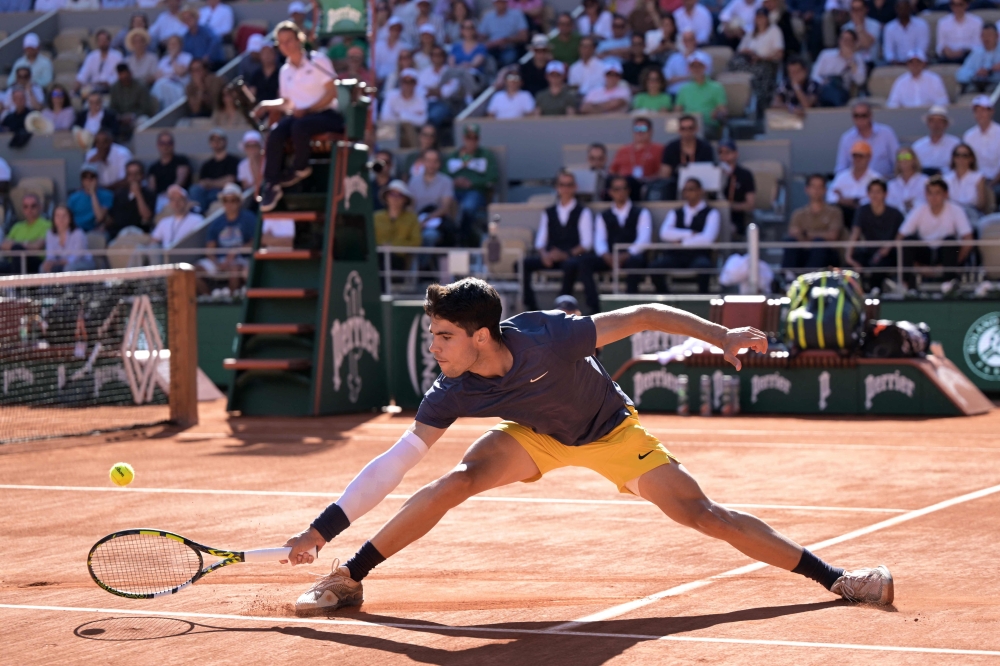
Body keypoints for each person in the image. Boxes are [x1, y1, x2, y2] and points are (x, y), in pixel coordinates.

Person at [284, 276, 894, 616]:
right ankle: (350, 577)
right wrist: (320, 530)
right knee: (454, 482)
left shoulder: (549, 337)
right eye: (433, 336)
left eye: (444, 336)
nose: (434, 348)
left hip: (609, 433)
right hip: (536, 438)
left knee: (703, 515)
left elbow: (646, 313)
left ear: (481, 334)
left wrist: (721, 334)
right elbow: (395, 462)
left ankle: (839, 579)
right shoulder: (451, 389)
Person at [254, 21, 345, 213]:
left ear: (299, 40)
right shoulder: (284, 71)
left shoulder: (318, 60)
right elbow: (288, 102)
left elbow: (332, 92)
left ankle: (301, 168)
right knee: (276, 133)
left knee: (299, 127)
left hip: (326, 115)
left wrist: (309, 109)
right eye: (281, 42)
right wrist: (265, 105)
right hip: (300, 117)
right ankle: (271, 183)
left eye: (289, 40)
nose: (286, 45)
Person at [522, 171, 595, 310]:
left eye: (569, 185)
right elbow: (540, 241)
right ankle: (530, 307)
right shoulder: (549, 212)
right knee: (525, 263)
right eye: (562, 185)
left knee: (571, 264)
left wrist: (566, 254)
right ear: (557, 187)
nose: (565, 189)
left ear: (575, 187)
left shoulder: (583, 211)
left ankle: (563, 307)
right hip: (552, 257)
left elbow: (586, 243)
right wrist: (544, 255)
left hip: (571, 257)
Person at [583, 173, 651, 301]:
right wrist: (606, 256)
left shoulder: (642, 212)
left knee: (636, 262)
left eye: (623, 188)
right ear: (610, 192)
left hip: (631, 257)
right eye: (616, 189)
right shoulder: (603, 216)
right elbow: (599, 240)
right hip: (609, 258)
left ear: (629, 190)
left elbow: (644, 239)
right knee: (584, 262)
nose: (620, 192)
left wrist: (627, 254)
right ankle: (595, 305)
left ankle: (631, 304)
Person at [896, 177, 973, 286]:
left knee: (951, 242)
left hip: (946, 256)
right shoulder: (919, 209)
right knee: (908, 241)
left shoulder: (956, 210)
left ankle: (949, 284)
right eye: (930, 193)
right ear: (926, 195)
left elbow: (968, 239)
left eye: (937, 193)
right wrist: (918, 267)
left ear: (945, 194)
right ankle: (906, 285)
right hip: (925, 254)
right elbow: (901, 235)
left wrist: (954, 262)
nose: (934, 197)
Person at [650, 177, 719, 293]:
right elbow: (664, 233)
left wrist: (681, 242)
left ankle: (701, 301)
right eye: (685, 190)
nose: (687, 193)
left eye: (691, 189)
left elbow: (708, 238)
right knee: (654, 267)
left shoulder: (711, 213)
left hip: (698, 254)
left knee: (704, 266)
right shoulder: (676, 212)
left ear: (700, 191)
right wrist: (690, 233)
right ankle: (665, 299)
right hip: (675, 255)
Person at [444, 124, 498, 245]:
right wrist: (454, 181)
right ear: (464, 138)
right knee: (445, 205)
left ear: (479, 139)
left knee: (468, 207)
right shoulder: (453, 155)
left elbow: (493, 177)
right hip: (453, 192)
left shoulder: (486, 155)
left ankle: (463, 238)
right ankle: (451, 239)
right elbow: (443, 175)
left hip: (476, 192)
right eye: (469, 138)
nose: (471, 141)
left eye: (475, 138)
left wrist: (472, 183)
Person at [198, 183, 255, 294]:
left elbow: (255, 242)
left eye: (233, 200)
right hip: (219, 260)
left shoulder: (249, 218)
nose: (229, 204)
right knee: (193, 271)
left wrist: (236, 251)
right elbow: (210, 248)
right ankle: (210, 298)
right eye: (225, 200)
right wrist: (216, 263)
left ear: (239, 201)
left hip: (242, 259)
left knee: (235, 269)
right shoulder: (216, 222)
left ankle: (231, 299)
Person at [847, 178, 902, 287]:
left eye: (878, 192)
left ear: (885, 194)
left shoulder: (895, 213)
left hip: (889, 254)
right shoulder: (862, 211)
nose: (874, 195)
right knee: (855, 265)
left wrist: (889, 246)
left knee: (881, 266)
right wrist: (849, 258)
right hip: (869, 252)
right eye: (872, 192)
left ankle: (876, 292)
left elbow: (902, 234)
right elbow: (855, 233)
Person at [783, 173, 844, 269]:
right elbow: (793, 233)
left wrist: (807, 234)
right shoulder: (798, 214)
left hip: (827, 256)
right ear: (806, 189)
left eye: (820, 187)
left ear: (825, 190)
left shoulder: (834, 212)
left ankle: (811, 278)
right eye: (813, 186)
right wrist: (820, 234)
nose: (816, 190)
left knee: (819, 243)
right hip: (803, 253)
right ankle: (788, 278)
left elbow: (833, 235)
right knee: (790, 242)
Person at [731, 7, 784, 106]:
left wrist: (761, 57)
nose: (760, 20)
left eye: (762, 17)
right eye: (758, 17)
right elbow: (739, 50)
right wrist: (748, 52)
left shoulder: (774, 30)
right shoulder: (751, 32)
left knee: (761, 73)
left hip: (767, 63)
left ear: (767, 18)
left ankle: (761, 105)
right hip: (748, 62)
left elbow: (779, 54)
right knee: (733, 64)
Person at [407, 148, 457, 249]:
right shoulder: (413, 181)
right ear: (423, 162)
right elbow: (410, 206)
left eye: (435, 161)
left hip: (437, 222)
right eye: (428, 161)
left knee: (429, 236)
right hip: (416, 221)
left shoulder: (446, 181)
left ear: (439, 163)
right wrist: (415, 223)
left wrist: (426, 220)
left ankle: (423, 265)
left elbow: (445, 208)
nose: (431, 164)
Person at [835, 102, 899, 178]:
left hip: (883, 183)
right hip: (857, 185)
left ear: (870, 116)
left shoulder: (886, 133)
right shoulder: (846, 138)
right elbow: (841, 168)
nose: (860, 119)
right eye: (856, 116)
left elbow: (897, 161)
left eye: (863, 115)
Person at [374, 179, 422, 279]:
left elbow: (416, 242)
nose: (395, 199)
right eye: (392, 194)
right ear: (386, 197)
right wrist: (382, 246)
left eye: (399, 195)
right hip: (377, 257)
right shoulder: (376, 217)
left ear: (405, 199)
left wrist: (394, 246)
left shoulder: (412, 218)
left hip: (399, 260)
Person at [829, 140, 880, 228]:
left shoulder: (876, 178)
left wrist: (851, 201)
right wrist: (847, 201)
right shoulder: (842, 176)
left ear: (869, 157)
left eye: (861, 156)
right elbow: (831, 196)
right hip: (843, 215)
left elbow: (878, 200)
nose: (857, 159)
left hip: (867, 216)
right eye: (854, 156)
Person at [610, 116, 663, 198]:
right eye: (637, 129)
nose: (640, 132)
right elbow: (613, 172)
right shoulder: (623, 150)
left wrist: (646, 179)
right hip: (622, 186)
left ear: (650, 131)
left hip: (646, 185)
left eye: (643, 129)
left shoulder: (658, 149)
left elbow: (662, 173)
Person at [674, 53, 726, 136]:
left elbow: (722, 110)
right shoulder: (684, 89)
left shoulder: (717, 87)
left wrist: (717, 112)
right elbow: (677, 110)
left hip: (707, 125)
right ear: (689, 69)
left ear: (705, 67)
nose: (696, 69)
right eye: (693, 66)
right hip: (687, 126)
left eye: (699, 66)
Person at [811, 28, 866, 106]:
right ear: (839, 41)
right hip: (823, 88)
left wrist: (850, 60)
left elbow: (860, 81)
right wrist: (823, 82)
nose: (845, 43)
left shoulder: (857, 58)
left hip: (842, 91)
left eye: (848, 40)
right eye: (843, 39)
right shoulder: (825, 54)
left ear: (854, 43)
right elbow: (814, 75)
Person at [189, 129, 239, 213]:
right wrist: (216, 182)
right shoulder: (207, 164)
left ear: (225, 141)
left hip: (224, 193)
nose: (216, 142)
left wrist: (210, 183)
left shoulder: (233, 161)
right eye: (213, 140)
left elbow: (230, 181)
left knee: (212, 195)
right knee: (195, 190)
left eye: (219, 139)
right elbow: (202, 183)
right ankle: (198, 213)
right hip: (207, 193)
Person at [0, 193, 51, 274]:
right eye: (26, 207)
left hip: (34, 262)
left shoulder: (47, 225)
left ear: (40, 207)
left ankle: (19, 285)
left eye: (33, 206)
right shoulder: (17, 226)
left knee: (17, 249)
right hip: (13, 263)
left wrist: (16, 245)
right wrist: (27, 244)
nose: (29, 209)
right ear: (22, 209)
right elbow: (3, 245)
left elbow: (37, 246)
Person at [658, 113, 714, 186]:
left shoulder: (705, 147)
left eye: (690, 128)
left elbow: (710, 172)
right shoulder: (671, 147)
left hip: (700, 187)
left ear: (696, 128)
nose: (687, 132)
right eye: (683, 129)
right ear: (679, 130)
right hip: (675, 187)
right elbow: (665, 174)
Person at [962, 95, 1000, 202]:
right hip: (974, 181)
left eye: (983, 110)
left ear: (991, 112)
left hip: (996, 181)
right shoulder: (969, 136)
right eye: (976, 111)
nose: (980, 114)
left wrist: (990, 185)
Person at [109, 159, 156, 238]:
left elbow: (147, 216)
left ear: (142, 175)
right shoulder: (119, 194)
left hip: (140, 234)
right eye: (130, 174)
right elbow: (113, 218)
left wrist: (138, 194)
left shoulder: (149, 194)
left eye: (136, 174)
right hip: (120, 234)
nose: (133, 177)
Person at [40, 205, 95, 273]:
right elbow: (50, 254)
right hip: (60, 263)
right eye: (57, 216)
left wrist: (60, 262)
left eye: (64, 216)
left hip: (82, 262)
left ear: (70, 217)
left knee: (68, 268)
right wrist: (49, 262)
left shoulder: (78, 233)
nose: (61, 219)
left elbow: (77, 256)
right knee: (43, 267)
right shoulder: (50, 233)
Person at [718, 139, 756, 237]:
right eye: (720, 152)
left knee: (728, 229)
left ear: (736, 154)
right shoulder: (714, 173)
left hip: (737, 218)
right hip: (716, 217)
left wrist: (728, 206)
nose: (724, 156)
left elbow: (750, 204)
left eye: (727, 152)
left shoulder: (745, 175)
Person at [147, 130, 192, 211]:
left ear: (173, 144)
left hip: (178, 196)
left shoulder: (181, 161)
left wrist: (170, 194)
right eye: (162, 143)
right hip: (160, 199)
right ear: (158, 145)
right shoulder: (153, 167)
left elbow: (180, 181)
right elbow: (152, 189)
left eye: (169, 143)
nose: (165, 146)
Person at [109, 64, 158, 138]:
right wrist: (120, 117)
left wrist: (132, 116)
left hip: (136, 117)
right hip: (121, 118)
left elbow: (145, 108)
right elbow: (112, 107)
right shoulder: (114, 88)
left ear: (130, 74)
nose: (124, 80)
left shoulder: (141, 86)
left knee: (143, 121)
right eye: (122, 78)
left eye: (126, 77)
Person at [943, 142, 987, 222]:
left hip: (971, 211)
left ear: (971, 158)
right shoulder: (946, 178)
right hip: (951, 213)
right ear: (953, 158)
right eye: (957, 155)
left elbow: (981, 203)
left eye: (965, 156)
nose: (961, 158)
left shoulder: (978, 177)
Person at [478, 0, 528, 67]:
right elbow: (480, 37)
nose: (500, 4)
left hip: (510, 47)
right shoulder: (488, 17)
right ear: (494, 3)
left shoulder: (517, 14)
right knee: (482, 58)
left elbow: (524, 37)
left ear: (506, 2)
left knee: (508, 58)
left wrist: (507, 40)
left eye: (502, 2)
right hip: (491, 48)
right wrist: (489, 43)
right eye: (498, 2)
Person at [911, 105, 961, 173]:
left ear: (945, 125)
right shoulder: (917, 146)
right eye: (932, 121)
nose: (936, 125)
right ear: (928, 123)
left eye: (940, 121)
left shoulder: (955, 144)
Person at [67, 164, 113, 235]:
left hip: (95, 230)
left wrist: (93, 194)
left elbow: (100, 218)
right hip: (77, 231)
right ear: (82, 180)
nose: (88, 180)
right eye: (85, 177)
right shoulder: (73, 197)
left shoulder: (106, 195)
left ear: (97, 179)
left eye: (92, 176)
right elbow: (68, 219)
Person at [76, 29, 123, 95]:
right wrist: (77, 85)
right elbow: (83, 74)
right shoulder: (91, 57)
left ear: (109, 41)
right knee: (82, 92)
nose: (103, 42)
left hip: (111, 88)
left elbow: (119, 75)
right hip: (94, 88)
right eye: (100, 40)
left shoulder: (117, 56)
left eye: (105, 40)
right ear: (97, 42)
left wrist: (108, 82)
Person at [151, 34, 193, 108]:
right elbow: (157, 77)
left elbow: (180, 73)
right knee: (159, 84)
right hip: (164, 84)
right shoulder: (164, 60)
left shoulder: (187, 57)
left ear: (180, 45)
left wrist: (173, 58)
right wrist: (170, 75)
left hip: (179, 86)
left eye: (175, 44)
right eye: (170, 44)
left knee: (161, 84)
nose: (172, 46)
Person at [882, 0, 929, 65]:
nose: (903, 11)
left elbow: (922, 48)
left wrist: (912, 61)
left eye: (905, 8)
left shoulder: (921, 25)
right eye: (900, 8)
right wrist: (893, 60)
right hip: (896, 63)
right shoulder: (889, 27)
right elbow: (888, 51)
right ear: (896, 9)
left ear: (910, 8)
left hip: (917, 62)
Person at [936, 0, 982, 64]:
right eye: (954, 4)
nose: (957, 7)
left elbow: (978, 45)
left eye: (960, 4)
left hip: (968, 55)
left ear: (967, 5)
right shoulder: (943, 22)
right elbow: (939, 45)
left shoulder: (977, 22)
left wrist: (963, 51)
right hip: (948, 57)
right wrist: (945, 50)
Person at [957, 23, 1000, 92]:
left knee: (992, 90)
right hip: (978, 84)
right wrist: (975, 73)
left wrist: (994, 69)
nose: (986, 38)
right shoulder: (976, 52)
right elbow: (960, 74)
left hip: (996, 84)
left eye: (989, 35)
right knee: (970, 89)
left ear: (997, 36)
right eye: (984, 35)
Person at [181, 3, 225, 70]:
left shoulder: (206, 30)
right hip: (196, 67)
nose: (188, 21)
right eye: (185, 19)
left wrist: (208, 56)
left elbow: (216, 40)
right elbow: (186, 54)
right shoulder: (186, 37)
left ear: (195, 17)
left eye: (189, 18)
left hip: (213, 64)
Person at [663, 29, 706, 96]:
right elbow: (666, 80)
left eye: (690, 40)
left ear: (695, 40)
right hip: (674, 93)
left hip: (694, 94)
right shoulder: (673, 58)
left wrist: (688, 58)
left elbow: (703, 78)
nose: (688, 43)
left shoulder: (704, 57)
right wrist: (688, 77)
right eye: (685, 40)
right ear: (682, 42)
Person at [886, 147, 927, 214]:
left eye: (907, 156)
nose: (904, 160)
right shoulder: (891, 185)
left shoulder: (925, 181)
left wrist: (915, 204)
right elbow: (889, 207)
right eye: (900, 157)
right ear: (897, 162)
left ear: (914, 159)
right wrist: (903, 205)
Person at [842, 0, 881, 66]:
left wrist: (859, 25)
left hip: (872, 64)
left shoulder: (875, 25)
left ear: (866, 9)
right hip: (853, 64)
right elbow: (847, 49)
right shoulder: (845, 28)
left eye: (859, 9)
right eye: (853, 9)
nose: (856, 13)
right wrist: (859, 44)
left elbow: (866, 44)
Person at [376, 17, 411, 83]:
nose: (395, 31)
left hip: (397, 78)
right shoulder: (378, 46)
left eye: (398, 29)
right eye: (393, 29)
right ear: (389, 29)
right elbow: (373, 64)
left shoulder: (405, 47)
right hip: (379, 78)